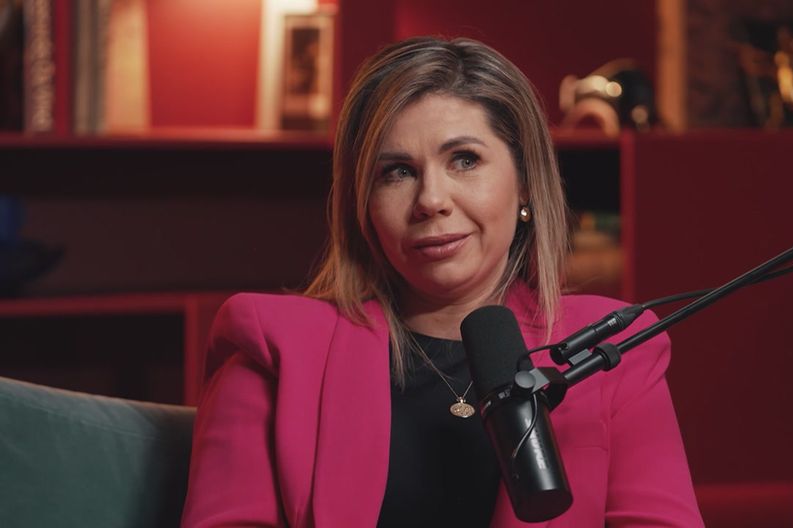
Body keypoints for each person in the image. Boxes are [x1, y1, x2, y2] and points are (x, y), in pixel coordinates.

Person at [181, 36, 703, 527]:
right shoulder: (272, 347)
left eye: (464, 160)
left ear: (524, 182)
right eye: (397, 171)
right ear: (363, 204)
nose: (431, 199)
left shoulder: (614, 351)